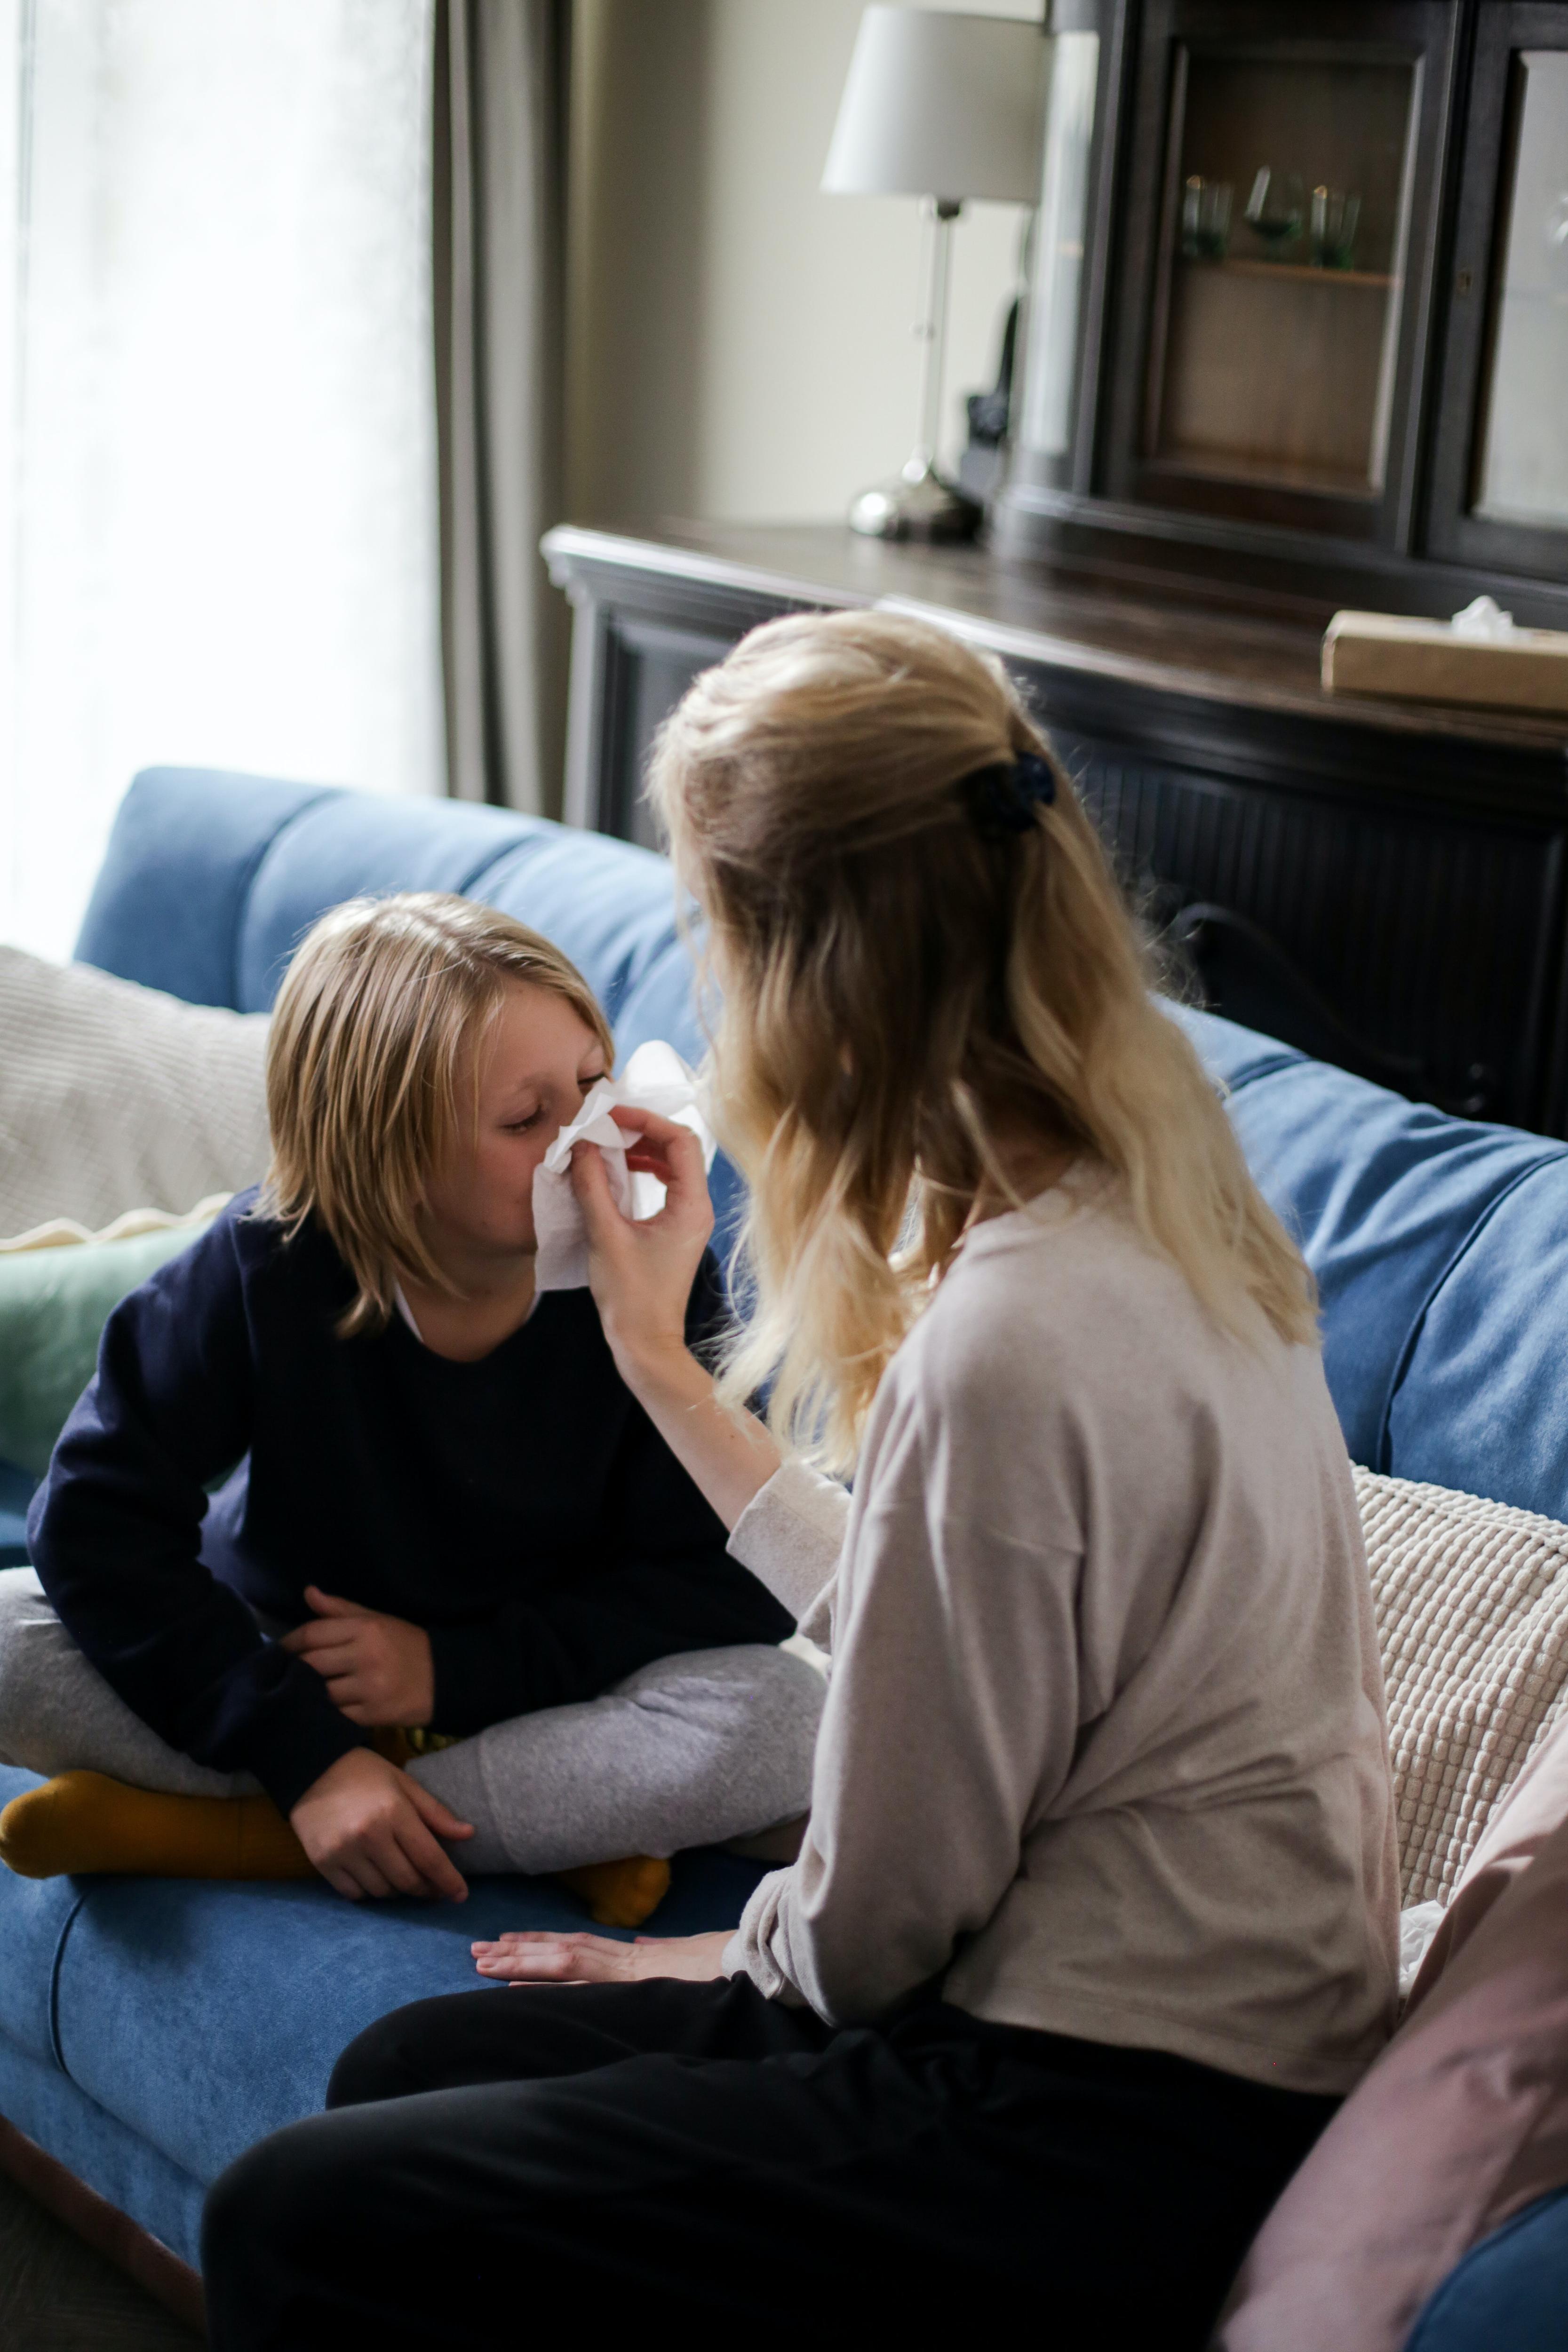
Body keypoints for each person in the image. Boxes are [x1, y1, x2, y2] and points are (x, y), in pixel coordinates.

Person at [200, 615, 1399, 2348]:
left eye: (711, 926)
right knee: (409, 2059)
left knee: (297, 2217)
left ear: (802, 966)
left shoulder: (1016, 1336)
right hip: (1177, 2033)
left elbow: (876, 1930)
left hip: (1098, 2111)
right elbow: (951, 1625)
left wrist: (719, 1962)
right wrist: (657, 1365)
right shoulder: (1171, 1210)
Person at [0, 894, 821, 1924]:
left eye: (591, 1083)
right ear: (380, 1157)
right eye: (527, 1120)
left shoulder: (647, 1271)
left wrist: (452, 1673)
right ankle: (478, 1821)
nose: (587, 1137)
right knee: (8, 1635)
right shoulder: (269, 1266)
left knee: (793, 1719)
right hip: (290, 1655)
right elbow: (90, 1519)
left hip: (545, 1679)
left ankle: (272, 1828)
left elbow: (743, 1581)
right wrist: (299, 1747)